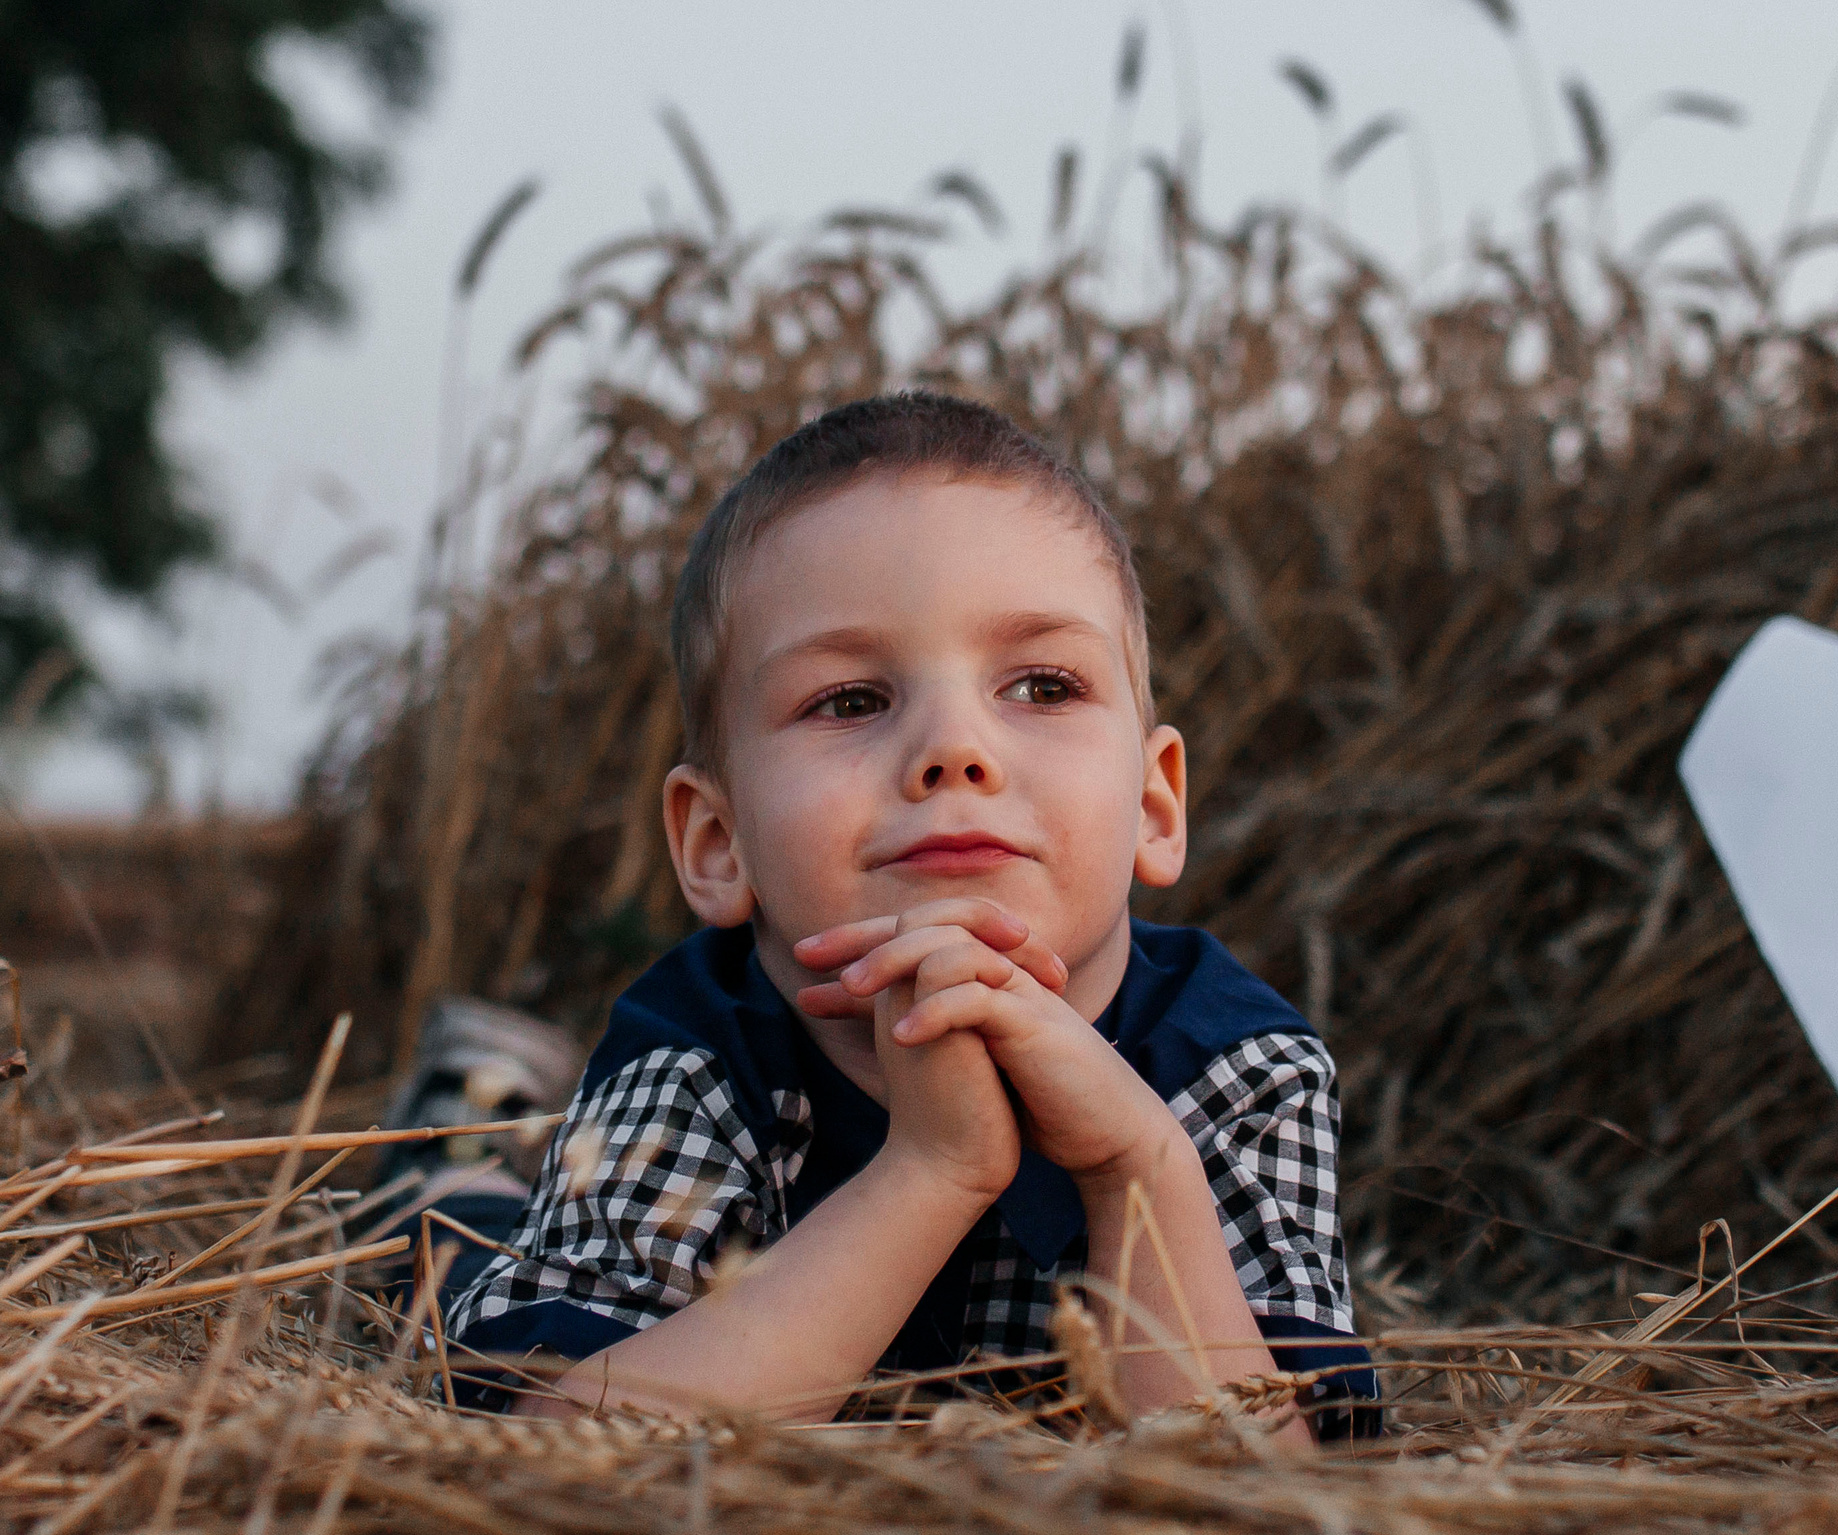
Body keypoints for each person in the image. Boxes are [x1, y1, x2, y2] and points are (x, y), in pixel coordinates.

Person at [444, 391, 1374, 1443]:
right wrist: (933, 1169)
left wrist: (1136, 1171)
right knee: (446, 1233)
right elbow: (548, 1454)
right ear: (719, 841)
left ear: (1156, 805)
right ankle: (469, 1110)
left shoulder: (1235, 1065)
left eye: (1041, 683)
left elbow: (1279, 1508)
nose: (954, 748)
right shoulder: (700, 1058)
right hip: (555, 1231)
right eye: (849, 700)